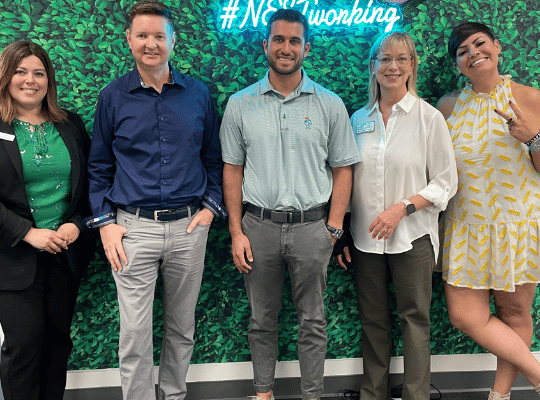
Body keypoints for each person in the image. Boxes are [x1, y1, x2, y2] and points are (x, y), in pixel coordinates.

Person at [85, 1, 225, 399]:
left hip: (189, 227)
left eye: (159, 36)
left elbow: (214, 158)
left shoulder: (197, 94)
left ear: (173, 41)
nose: (151, 44)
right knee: (134, 333)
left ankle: (174, 394)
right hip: (132, 229)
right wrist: (105, 223)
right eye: (143, 35)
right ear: (128, 40)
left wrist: (211, 208)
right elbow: (99, 166)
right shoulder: (113, 97)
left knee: (182, 327)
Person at [220, 8, 360, 400]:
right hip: (257, 228)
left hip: (313, 228)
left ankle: (311, 395)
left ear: (306, 48)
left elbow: (343, 169)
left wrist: (334, 227)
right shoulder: (240, 104)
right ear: (265, 45)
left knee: (312, 321)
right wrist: (236, 231)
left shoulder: (329, 104)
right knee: (261, 319)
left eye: (294, 41)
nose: (286, 48)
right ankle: (263, 393)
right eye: (278, 40)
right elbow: (232, 171)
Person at [336, 31, 458, 400]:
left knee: (415, 320)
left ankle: (416, 395)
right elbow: (345, 177)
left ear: (412, 66)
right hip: (365, 239)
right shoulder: (357, 120)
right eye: (385, 59)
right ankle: (373, 393)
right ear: (372, 66)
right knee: (373, 321)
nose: (393, 66)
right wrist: (342, 232)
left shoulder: (429, 118)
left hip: (413, 237)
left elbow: (445, 182)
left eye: (401, 59)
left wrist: (402, 207)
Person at [436, 22, 540, 400]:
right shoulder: (447, 106)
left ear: (497, 47)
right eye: (462, 51)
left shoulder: (529, 97)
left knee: (515, 314)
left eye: (479, 44)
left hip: (518, 223)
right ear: (457, 64)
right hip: (465, 226)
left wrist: (533, 138)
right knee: (464, 315)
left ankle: (499, 395)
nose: (473, 53)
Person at [0, 40, 93, 400]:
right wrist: (27, 232)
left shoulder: (70, 124)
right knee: (23, 345)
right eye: (20, 72)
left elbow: (90, 185)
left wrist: (77, 223)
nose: (30, 80)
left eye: (39, 73)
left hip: (63, 255)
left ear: (49, 80)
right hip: (13, 257)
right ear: (6, 77)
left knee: (57, 343)